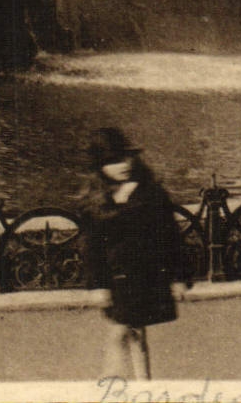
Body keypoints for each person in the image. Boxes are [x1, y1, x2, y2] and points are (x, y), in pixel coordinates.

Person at [82, 127, 188, 381]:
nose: (123, 165)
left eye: (126, 157)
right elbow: (92, 247)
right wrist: (97, 285)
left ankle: (129, 384)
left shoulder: (151, 193)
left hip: (145, 276)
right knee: (126, 333)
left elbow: (172, 238)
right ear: (100, 166)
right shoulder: (96, 199)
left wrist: (178, 277)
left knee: (128, 333)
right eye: (113, 161)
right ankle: (130, 383)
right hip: (115, 279)